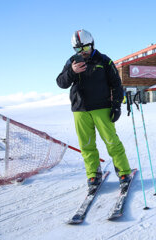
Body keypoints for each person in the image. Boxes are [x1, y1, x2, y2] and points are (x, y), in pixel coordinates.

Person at [56, 29, 131, 192]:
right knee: (87, 144)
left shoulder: (104, 61)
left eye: (86, 48)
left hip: (101, 108)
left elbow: (116, 84)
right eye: (78, 49)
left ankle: (124, 171)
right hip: (80, 110)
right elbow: (61, 82)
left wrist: (116, 105)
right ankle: (93, 174)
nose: (82, 52)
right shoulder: (71, 63)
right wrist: (72, 72)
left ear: (92, 44)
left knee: (112, 141)